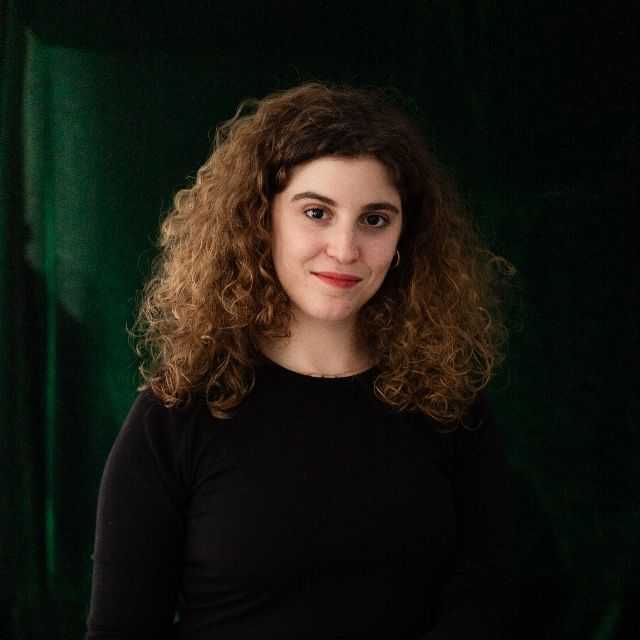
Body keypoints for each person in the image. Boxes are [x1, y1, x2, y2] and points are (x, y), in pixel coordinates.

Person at [85, 82, 518, 639]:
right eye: (317, 212)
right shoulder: (177, 415)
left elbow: (490, 599)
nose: (344, 249)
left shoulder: (448, 405)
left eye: (375, 219)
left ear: (405, 236)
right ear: (259, 219)